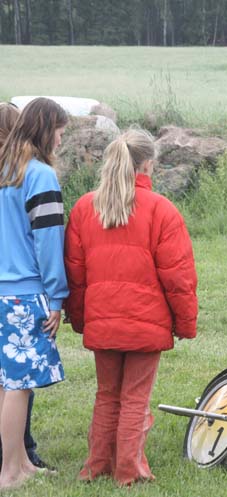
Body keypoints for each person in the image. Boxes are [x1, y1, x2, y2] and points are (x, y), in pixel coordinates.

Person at [64, 128, 198, 486]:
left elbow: (75, 275)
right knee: (135, 397)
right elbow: (179, 277)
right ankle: (128, 471)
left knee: (107, 394)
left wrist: (80, 319)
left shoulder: (84, 207)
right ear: (149, 164)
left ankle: (96, 467)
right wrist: (185, 324)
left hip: (103, 321)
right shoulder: (162, 210)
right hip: (145, 323)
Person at [0, 98, 69, 489]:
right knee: (19, 385)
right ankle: (10, 472)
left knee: (3, 381)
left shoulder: (4, 170)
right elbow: (47, 242)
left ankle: (20, 461)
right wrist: (56, 297)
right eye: (60, 131)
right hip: (24, 294)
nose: (61, 139)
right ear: (46, 129)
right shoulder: (39, 174)